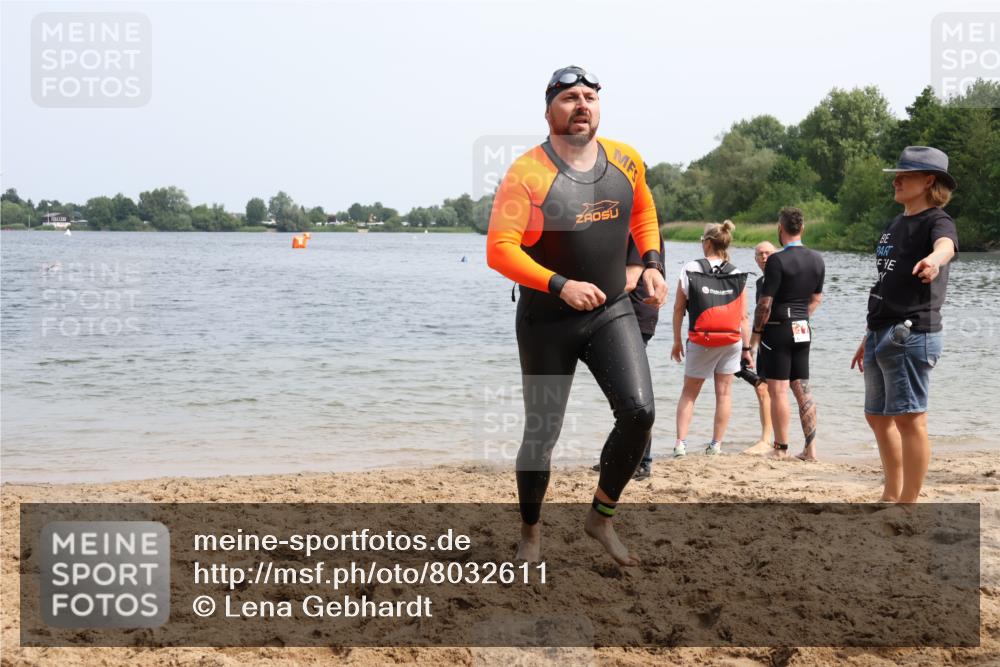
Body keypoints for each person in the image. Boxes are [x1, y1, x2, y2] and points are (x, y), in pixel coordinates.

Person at [486, 66, 667, 566]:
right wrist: (559, 285)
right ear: (548, 112)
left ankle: (600, 518)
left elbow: (643, 214)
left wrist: (650, 264)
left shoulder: (626, 160)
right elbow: (499, 251)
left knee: (640, 414)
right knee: (542, 432)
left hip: (611, 310)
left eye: (590, 96)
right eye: (569, 98)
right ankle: (530, 534)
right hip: (547, 319)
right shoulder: (527, 173)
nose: (582, 105)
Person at [850, 146, 958, 504]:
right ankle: (890, 493)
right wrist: (868, 335)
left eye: (905, 175)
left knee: (910, 418)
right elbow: (885, 282)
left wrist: (934, 260)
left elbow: (946, 246)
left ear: (928, 181)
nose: (895, 180)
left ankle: (908, 504)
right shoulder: (895, 223)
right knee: (877, 417)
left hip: (912, 332)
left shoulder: (937, 221)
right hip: (881, 330)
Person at [749, 207, 825, 461]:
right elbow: (816, 299)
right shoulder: (817, 260)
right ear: (802, 228)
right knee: (802, 387)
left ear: (780, 229)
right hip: (802, 327)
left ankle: (781, 448)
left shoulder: (777, 261)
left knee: (778, 390)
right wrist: (800, 317)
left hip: (777, 328)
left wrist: (755, 336)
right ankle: (811, 450)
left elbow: (764, 304)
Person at [670, 221, 751, 457]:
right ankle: (715, 445)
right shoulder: (736, 272)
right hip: (731, 340)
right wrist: (746, 348)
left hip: (701, 339)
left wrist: (676, 340)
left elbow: (677, 308)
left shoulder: (690, 268)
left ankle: (680, 444)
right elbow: (743, 316)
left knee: (689, 393)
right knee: (724, 393)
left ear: (707, 243)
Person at [741, 240, 776, 456]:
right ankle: (767, 437)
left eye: (768, 253)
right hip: (764, 340)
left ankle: (770, 439)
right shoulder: (760, 281)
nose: (764, 257)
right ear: (755, 259)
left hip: (778, 339)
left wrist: (751, 345)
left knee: (785, 389)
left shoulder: (781, 278)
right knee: (762, 387)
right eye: (760, 254)